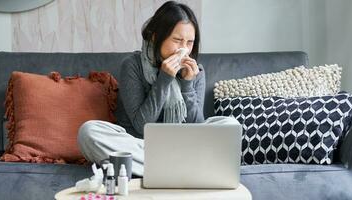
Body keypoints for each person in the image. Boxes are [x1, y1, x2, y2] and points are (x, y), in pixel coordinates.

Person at [78, 1, 236, 176]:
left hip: (182, 145)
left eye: (189, 42)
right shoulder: (133, 65)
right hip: (138, 144)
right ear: (155, 36)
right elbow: (141, 125)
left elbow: (197, 128)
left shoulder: (195, 71)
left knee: (229, 125)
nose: (184, 49)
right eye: (177, 40)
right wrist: (164, 79)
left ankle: (159, 168)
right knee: (89, 132)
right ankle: (181, 168)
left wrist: (187, 85)